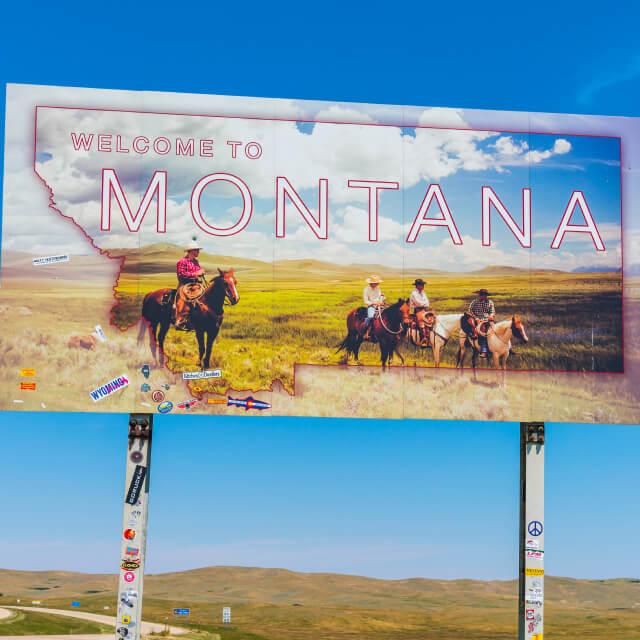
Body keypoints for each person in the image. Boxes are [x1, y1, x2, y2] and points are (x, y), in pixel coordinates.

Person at [175, 241, 206, 330]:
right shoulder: (182, 261)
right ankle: (180, 321)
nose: (198, 252)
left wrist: (201, 272)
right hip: (184, 285)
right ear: (191, 251)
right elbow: (181, 274)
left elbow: (199, 271)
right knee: (183, 299)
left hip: (195, 285)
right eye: (197, 250)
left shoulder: (196, 262)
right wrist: (196, 273)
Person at [468, 288, 495, 357]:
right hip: (478, 319)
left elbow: (492, 311)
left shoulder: (490, 302)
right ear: (479, 295)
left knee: (498, 330)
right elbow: (470, 310)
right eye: (481, 295)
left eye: (484, 295)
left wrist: (491, 315)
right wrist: (476, 318)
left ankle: (509, 348)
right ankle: (484, 350)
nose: (483, 296)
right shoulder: (475, 302)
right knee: (483, 333)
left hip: (487, 319)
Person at [363, 275, 385, 340]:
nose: (378, 284)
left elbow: (379, 298)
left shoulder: (378, 289)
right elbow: (366, 301)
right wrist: (374, 303)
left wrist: (381, 299)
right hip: (371, 306)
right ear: (372, 283)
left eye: (377, 283)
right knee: (370, 316)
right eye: (376, 283)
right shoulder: (366, 290)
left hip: (379, 305)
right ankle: (366, 331)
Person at [409, 278, 430, 346]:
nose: (423, 286)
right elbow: (418, 303)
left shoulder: (423, 292)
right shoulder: (414, 293)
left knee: (432, 318)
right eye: (421, 285)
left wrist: (424, 304)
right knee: (421, 321)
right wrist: (424, 303)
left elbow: (427, 302)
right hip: (418, 310)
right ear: (417, 285)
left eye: (423, 285)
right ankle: (423, 339)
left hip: (424, 309)